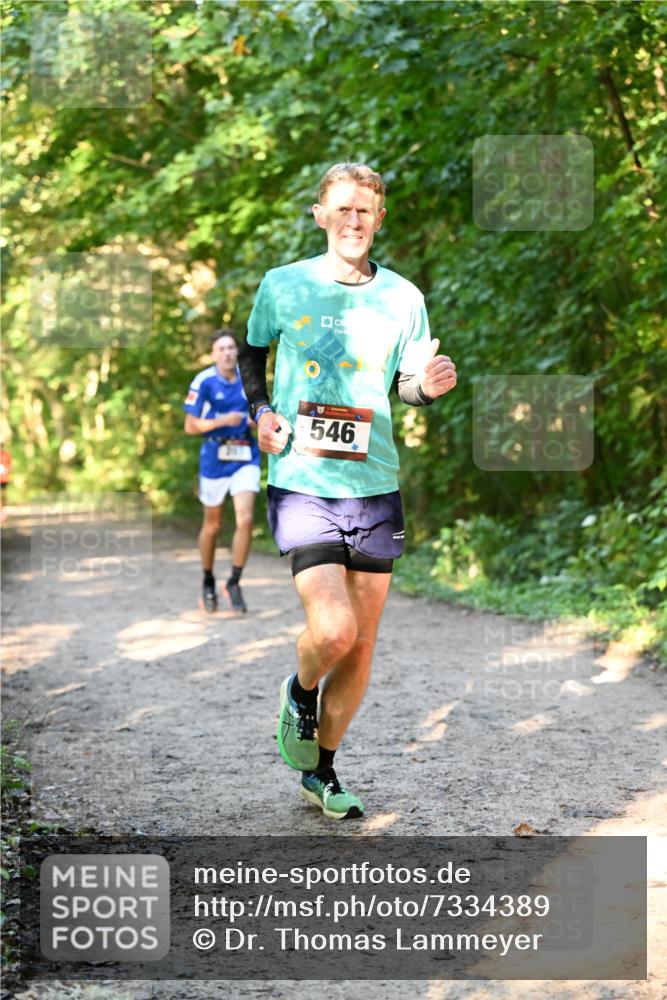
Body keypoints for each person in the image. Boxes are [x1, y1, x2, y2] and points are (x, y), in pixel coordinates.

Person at [239, 162, 457, 820]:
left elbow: (408, 384)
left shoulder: (402, 298)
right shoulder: (283, 285)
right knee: (332, 629)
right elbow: (252, 354)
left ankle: (323, 772)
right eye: (341, 209)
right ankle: (299, 690)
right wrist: (260, 414)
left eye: (365, 210)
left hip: (375, 486)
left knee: (361, 642)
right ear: (319, 215)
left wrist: (429, 386)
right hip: (303, 480)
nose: (353, 220)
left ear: (379, 218)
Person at [183, 329, 260, 613]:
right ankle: (207, 580)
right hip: (214, 457)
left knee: (245, 519)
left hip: (245, 455)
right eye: (221, 349)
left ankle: (235, 581)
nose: (228, 353)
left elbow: (261, 412)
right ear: (214, 354)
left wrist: (256, 420)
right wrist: (221, 421)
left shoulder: (248, 377)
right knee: (213, 526)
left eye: (231, 348)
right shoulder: (203, 381)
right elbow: (190, 426)